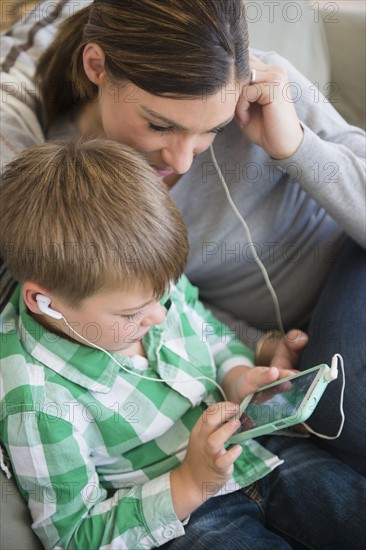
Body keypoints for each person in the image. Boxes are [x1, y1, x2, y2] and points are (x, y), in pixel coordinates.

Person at [0, 0, 365, 475]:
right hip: (292, 346)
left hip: (351, 265)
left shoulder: (263, 87)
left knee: (350, 409)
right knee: (341, 418)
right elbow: (165, 298)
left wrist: (295, 146)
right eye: (159, 124)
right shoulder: (68, 182)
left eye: (210, 131)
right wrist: (255, 345)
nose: (184, 159)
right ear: (97, 67)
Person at [0, 138, 365, 550]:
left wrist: (238, 375)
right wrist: (188, 483)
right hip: (183, 517)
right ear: (43, 302)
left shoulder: (144, 288)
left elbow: (208, 332)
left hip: (258, 452)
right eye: (131, 315)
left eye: (165, 296)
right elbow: (72, 537)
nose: (159, 317)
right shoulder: (36, 400)